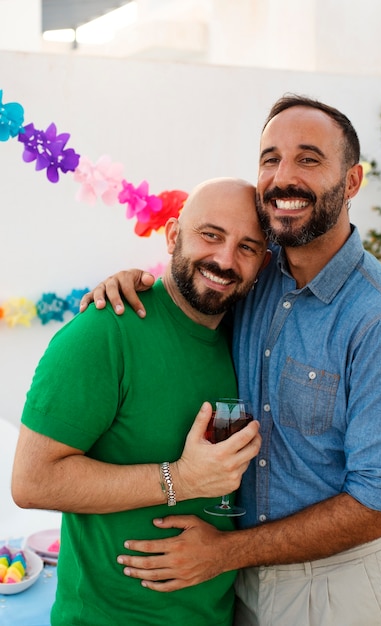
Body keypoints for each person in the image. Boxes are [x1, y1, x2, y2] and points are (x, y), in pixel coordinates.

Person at [81, 95, 381, 626]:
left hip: (340, 587)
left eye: (308, 159)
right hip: (241, 585)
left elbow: (377, 504)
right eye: (269, 158)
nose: (283, 177)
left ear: (351, 183)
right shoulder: (252, 273)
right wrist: (130, 282)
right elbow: (193, 277)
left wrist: (224, 553)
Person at [11, 177, 271, 626]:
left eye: (247, 247)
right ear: (173, 235)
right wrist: (180, 480)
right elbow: (32, 481)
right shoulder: (105, 331)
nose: (225, 259)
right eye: (210, 235)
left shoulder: (246, 339)